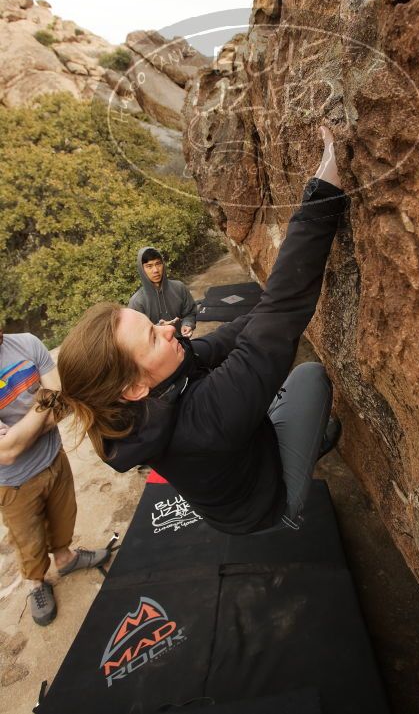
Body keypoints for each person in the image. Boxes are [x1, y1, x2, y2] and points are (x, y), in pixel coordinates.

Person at [40, 125, 348, 535]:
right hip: (265, 506)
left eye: (154, 325)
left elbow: (232, 337)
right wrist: (323, 196)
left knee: (256, 381)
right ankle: (301, 464)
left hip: (231, 483)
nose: (167, 330)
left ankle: (286, 435)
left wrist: (256, 314)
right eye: (152, 337)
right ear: (133, 387)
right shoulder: (204, 418)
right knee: (310, 376)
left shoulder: (138, 408)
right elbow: (281, 316)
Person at [0, 328, 109, 625]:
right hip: (12, 481)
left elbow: (64, 404)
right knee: (28, 540)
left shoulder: (27, 343)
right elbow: (6, 453)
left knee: (64, 515)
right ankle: (36, 584)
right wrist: (47, 401)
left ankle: (66, 559)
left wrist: (21, 432)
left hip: (54, 457)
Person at [128, 246, 197, 336]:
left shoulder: (179, 287)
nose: (156, 270)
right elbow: (135, 335)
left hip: (183, 345)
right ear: (142, 270)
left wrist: (187, 324)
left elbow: (190, 313)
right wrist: (157, 329)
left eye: (158, 264)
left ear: (163, 265)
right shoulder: (137, 302)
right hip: (156, 350)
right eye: (149, 266)